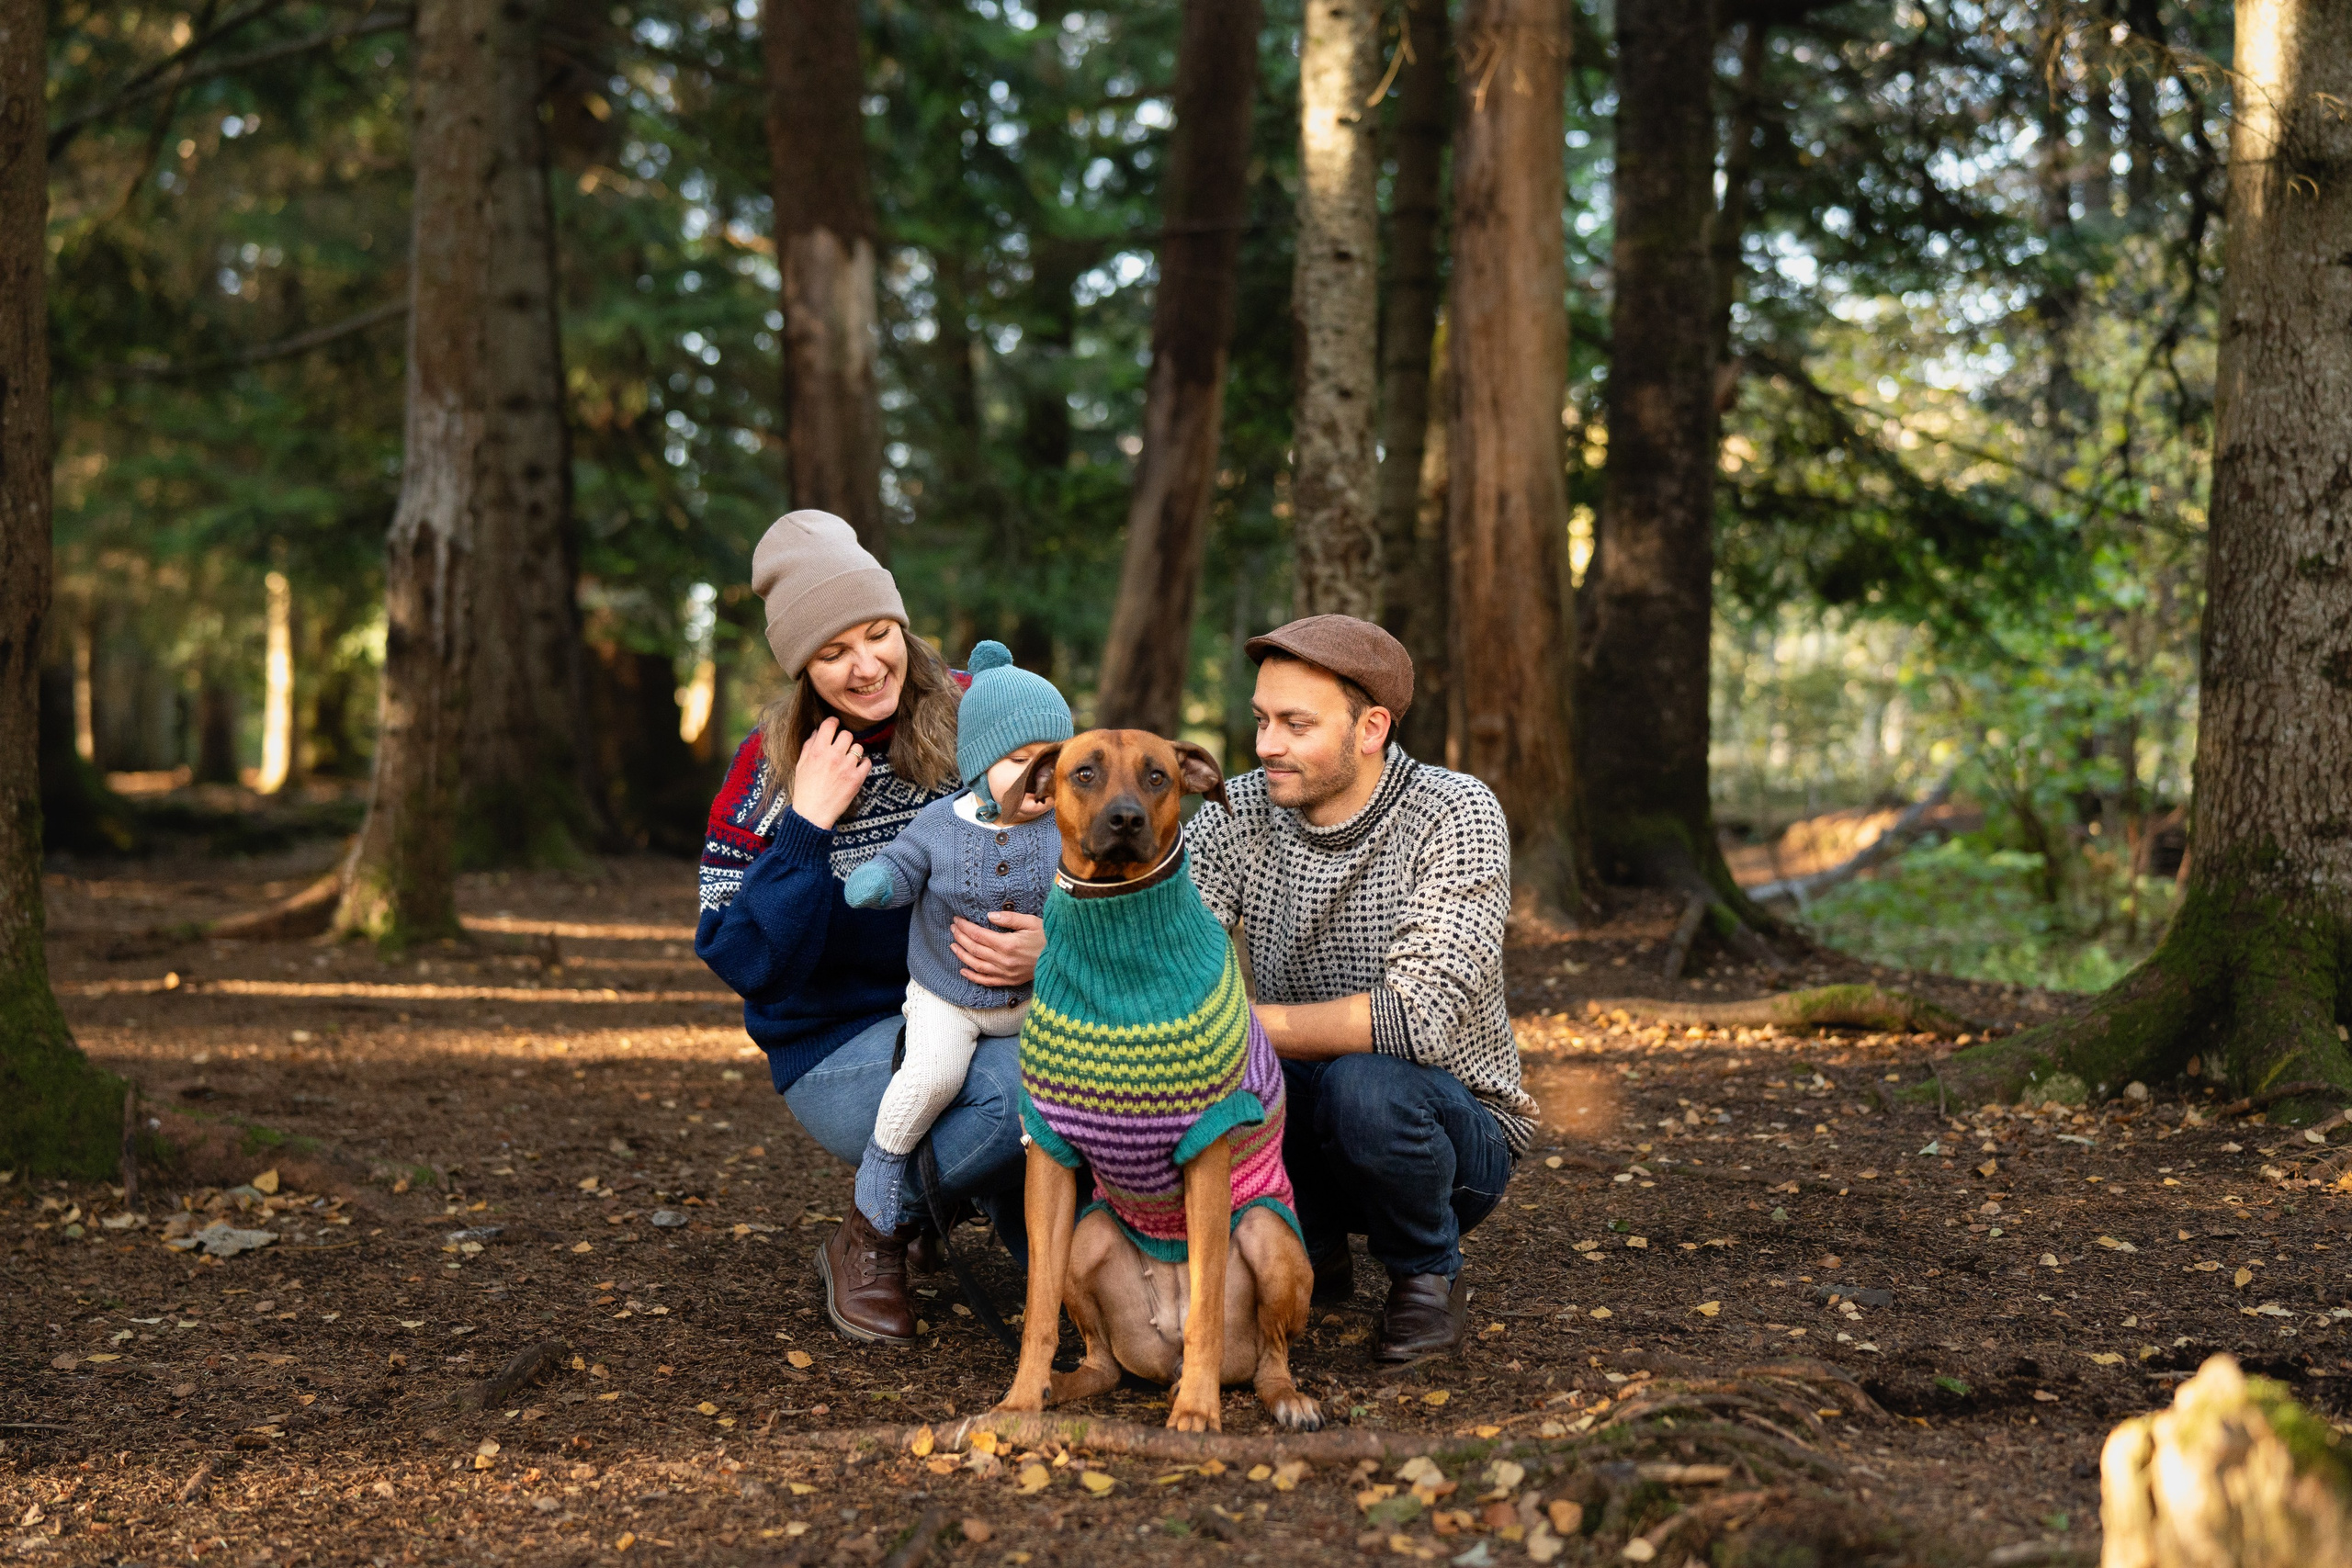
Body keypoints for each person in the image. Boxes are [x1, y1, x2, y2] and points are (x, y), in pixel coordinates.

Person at [695, 511, 1045, 1346]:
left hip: (992, 1001)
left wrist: (1054, 944)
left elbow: (1081, 831)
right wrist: (807, 827)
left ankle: (1023, 1215)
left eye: (878, 633)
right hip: (838, 1038)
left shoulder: (981, 711)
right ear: (802, 667)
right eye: (833, 652)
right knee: (1014, 1092)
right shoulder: (773, 765)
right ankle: (872, 1231)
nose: (866, 666)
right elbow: (746, 959)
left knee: (1088, 1063)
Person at [1182, 614, 1536, 1361]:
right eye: (1261, 719)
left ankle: (1425, 1277)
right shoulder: (1237, 810)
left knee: (1363, 1086)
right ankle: (1309, 1246)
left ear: (1370, 727)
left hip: (1448, 1130)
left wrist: (1232, 1025)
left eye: (1295, 724)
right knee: (1217, 1078)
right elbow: (1177, 958)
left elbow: (1416, 1019)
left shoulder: (1455, 812)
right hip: (1300, 1108)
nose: (1266, 744)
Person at [839, 641, 1069, 1277]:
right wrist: (879, 880)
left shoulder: (1067, 828)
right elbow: (905, 862)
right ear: (978, 764)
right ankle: (884, 1166)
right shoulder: (942, 822)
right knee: (933, 1074)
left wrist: (1061, 944)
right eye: (1021, 760)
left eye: (1054, 760)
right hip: (948, 993)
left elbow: (1096, 902)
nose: (1041, 777)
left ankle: (1050, 1217)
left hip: (1037, 997)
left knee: (1067, 1089)